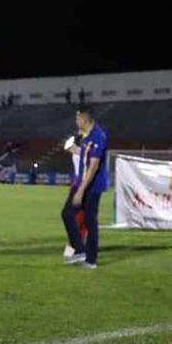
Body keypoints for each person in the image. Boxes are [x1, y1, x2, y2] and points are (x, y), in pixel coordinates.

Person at [62, 106, 108, 269]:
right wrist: (74, 150)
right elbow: (85, 154)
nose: (76, 121)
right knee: (67, 214)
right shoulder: (86, 136)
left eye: (77, 118)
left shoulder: (98, 136)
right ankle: (80, 250)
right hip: (81, 182)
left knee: (90, 221)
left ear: (85, 119)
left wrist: (81, 191)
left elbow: (94, 166)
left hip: (92, 186)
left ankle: (91, 260)